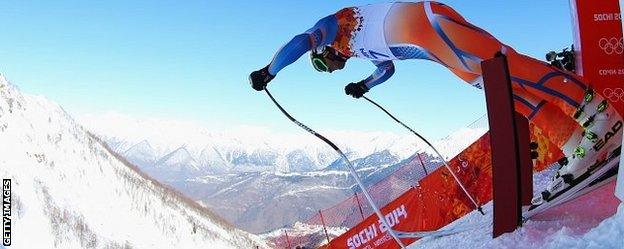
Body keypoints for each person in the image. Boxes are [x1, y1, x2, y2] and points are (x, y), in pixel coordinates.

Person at [249, 1, 622, 204]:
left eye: (322, 63)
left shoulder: (332, 25)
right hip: (436, 48)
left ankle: (601, 116)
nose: (328, 67)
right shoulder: (356, 49)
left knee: (510, 66)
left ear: (324, 50)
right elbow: (387, 70)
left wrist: (270, 70)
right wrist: (364, 85)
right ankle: (576, 142)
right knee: (502, 88)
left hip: (430, 23)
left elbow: (300, 40)